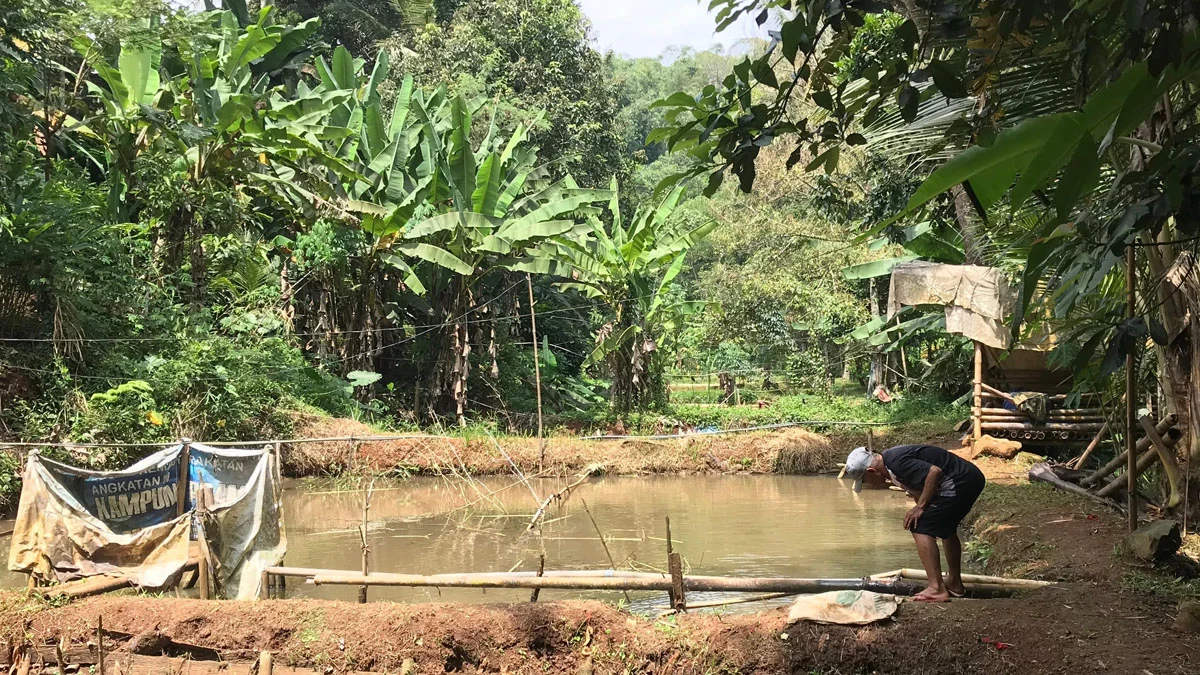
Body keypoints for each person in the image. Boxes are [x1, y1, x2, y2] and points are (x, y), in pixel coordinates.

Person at [843, 444, 986, 602]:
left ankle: (936, 588)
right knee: (946, 528)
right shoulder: (891, 467)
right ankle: (955, 584)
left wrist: (920, 508)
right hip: (966, 479)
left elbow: (934, 472)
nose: (868, 484)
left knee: (919, 526)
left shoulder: (897, 463)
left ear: (871, 471)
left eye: (864, 481)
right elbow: (920, 488)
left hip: (960, 480)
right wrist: (922, 506)